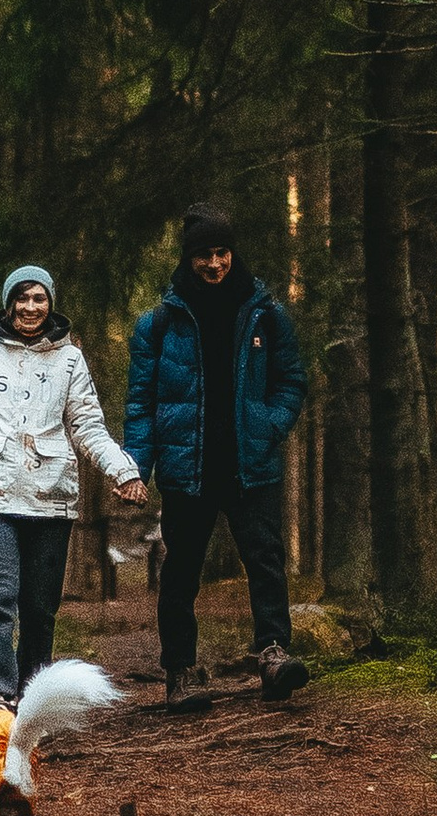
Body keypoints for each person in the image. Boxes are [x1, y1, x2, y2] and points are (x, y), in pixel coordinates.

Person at [0, 265, 149, 707]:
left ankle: (33, 698)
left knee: (40, 609)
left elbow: (87, 427)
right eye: (21, 298)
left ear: (50, 304)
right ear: (8, 304)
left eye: (38, 298)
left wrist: (124, 471)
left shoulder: (69, 360)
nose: (30, 307)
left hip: (50, 498)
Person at [125, 202, 311, 710]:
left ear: (233, 253)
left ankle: (272, 655)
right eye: (203, 255)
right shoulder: (158, 325)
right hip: (188, 468)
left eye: (222, 252)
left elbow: (292, 381)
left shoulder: (265, 313)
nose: (214, 264)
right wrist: (134, 468)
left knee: (265, 560)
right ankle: (181, 672)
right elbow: (141, 404)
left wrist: (269, 426)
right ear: (188, 259)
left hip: (251, 464)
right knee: (182, 569)